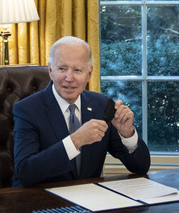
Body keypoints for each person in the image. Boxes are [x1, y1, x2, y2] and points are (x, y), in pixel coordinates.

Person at [12, 36, 151, 187]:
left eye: (77, 70)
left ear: (89, 74)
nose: (69, 78)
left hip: (88, 201)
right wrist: (75, 141)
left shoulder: (102, 105)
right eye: (62, 68)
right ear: (51, 71)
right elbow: (25, 173)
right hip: (41, 201)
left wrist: (127, 134)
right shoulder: (27, 109)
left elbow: (141, 168)